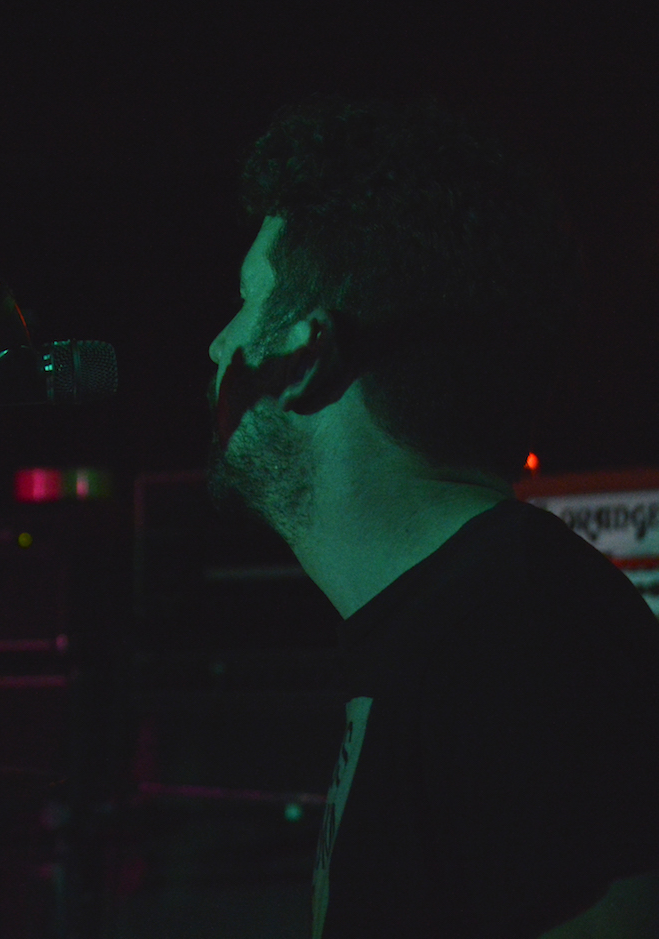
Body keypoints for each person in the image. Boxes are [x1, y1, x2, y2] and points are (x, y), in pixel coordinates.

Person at [206, 100, 659, 938]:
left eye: (244, 300)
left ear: (306, 357)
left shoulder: (523, 633)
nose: (215, 346)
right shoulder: (465, 621)